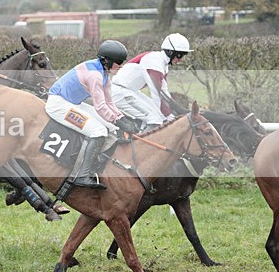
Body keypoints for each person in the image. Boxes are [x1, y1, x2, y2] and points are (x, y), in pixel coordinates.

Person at [45, 40, 140, 189]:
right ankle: (82, 175)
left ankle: (99, 163)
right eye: (119, 62)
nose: (121, 66)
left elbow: (110, 103)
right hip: (58, 104)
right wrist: (119, 121)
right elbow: (100, 107)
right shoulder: (95, 75)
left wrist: (122, 118)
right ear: (106, 61)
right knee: (98, 131)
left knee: (110, 126)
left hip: (72, 102)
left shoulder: (104, 73)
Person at [111, 33, 192, 131]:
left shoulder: (163, 64)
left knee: (160, 117)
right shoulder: (154, 61)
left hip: (130, 91)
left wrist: (175, 112)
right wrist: (169, 115)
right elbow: (156, 94)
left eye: (183, 55)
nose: (181, 59)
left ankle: (141, 133)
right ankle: (141, 145)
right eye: (180, 55)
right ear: (170, 52)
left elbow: (164, 92)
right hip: (120, 92)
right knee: (155, 118)